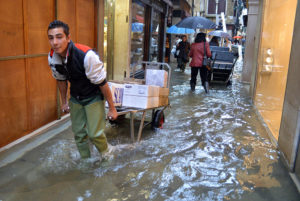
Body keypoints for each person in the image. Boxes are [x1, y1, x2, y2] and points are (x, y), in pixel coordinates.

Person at [47, 20, 118, 160]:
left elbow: (102, 83)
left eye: (59, 37)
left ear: (68, 38)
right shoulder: (52, 57)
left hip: (93, 96)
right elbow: (61, 80)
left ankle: (107, 154)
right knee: (79, 134)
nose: (55, 42)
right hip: (75, 97)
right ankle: (86, 159)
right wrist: (64, 102)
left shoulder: (86, 55)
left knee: (95, 134)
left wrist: (112, 108)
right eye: (51, 38)